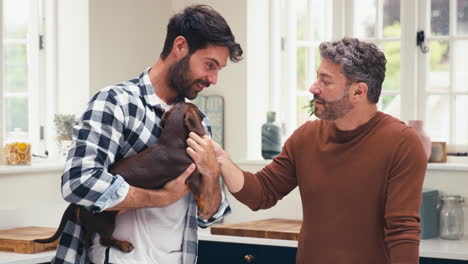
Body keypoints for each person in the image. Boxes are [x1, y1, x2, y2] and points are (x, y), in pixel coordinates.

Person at [188, 37, 427, 264]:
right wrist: (222, 160)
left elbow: (402, 231)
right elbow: (261, 193)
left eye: (326, 81)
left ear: (358, 92)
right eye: (317, 77)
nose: (314, 88)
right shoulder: (307, 137)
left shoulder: (402, 143)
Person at [53, 5, 243, 264]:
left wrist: (210, 174)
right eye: (209, 65)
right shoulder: (116, 102)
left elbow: (210, 215)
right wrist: (161, 198)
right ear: (180, 46)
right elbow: (79, 182)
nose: (213, 78)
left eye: (218, 69)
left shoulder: (198, 121)